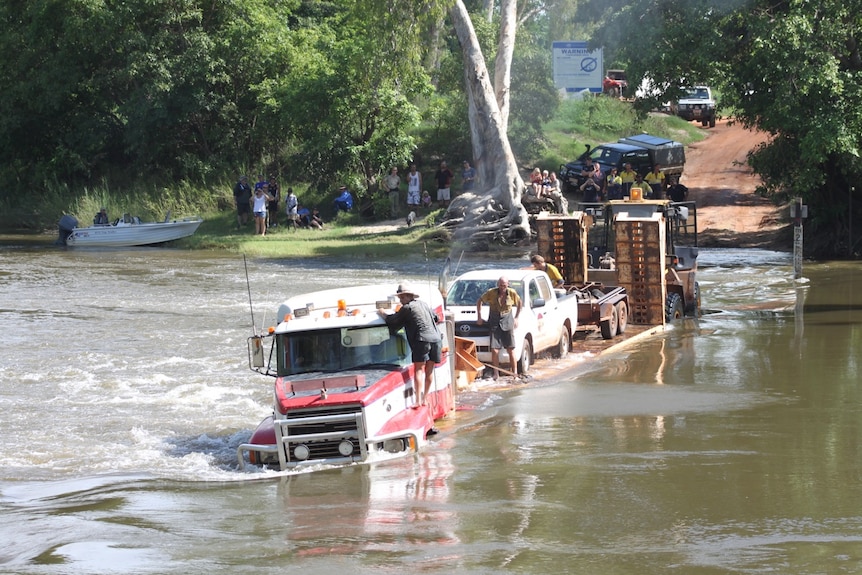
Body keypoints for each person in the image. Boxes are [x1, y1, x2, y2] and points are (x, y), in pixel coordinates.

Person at [377, 282, 442, 407]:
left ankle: (417, 401)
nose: (401, 300)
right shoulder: (424, 304)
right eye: (400, 298)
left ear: (409, 296)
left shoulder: (407, 308)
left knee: (418, 369)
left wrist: (382, 313)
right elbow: (436, 318)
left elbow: (392, 321)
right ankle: (425, 399)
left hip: (422, 340)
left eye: (402, 297)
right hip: (436, 339)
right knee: (429, 370)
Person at [476, 276, 522, 380]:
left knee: (510, 349)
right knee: (495, 350)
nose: (502, 287)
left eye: (504, 285)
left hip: (507, 319)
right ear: (498, 284)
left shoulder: (512, 293)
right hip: (494, 320)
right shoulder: (491, 293)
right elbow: (479, 301)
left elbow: (519, 303)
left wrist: (517, 317)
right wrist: (479, 316)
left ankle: (514, 373)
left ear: (508, 284)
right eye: (501, 285)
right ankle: (496, 373)